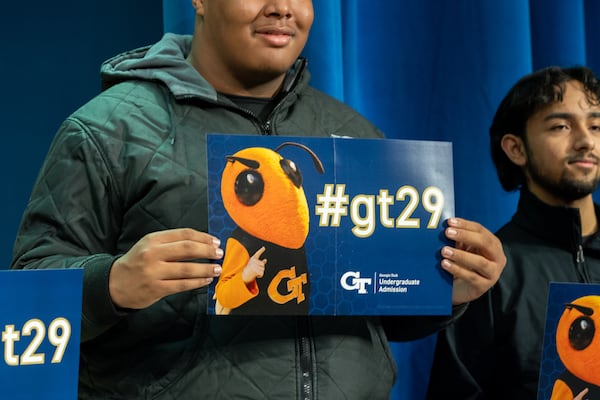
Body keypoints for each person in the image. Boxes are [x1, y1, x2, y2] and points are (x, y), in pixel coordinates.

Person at [11, 1, 505, 399]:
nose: (283, 8)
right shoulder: (109, 128)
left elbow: (374, 312)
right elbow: (29, 297)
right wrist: (114, 283)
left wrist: (447, 288)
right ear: (200, 2)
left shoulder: (354, 134)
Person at [426, 65, 600, 399]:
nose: (585, 141)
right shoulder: (486, 273)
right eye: (561, 126)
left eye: (595, 125)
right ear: (515, 149)